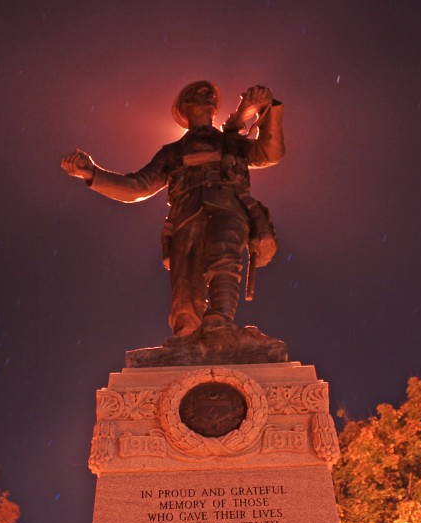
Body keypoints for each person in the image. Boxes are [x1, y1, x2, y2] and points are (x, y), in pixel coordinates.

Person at [61, 81, 284, 337]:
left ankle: (220, 319)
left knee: (224, 252)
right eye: (200, 93)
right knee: (184, 285)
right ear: (185, 106)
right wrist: (93, 173)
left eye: (211, 94)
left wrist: (266, 109)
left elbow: (270, 153)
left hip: (228, 206)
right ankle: (186, 335)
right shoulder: (172, 152)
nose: (209, 95)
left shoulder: (232, 143)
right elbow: (138, 186)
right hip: (185, 217)